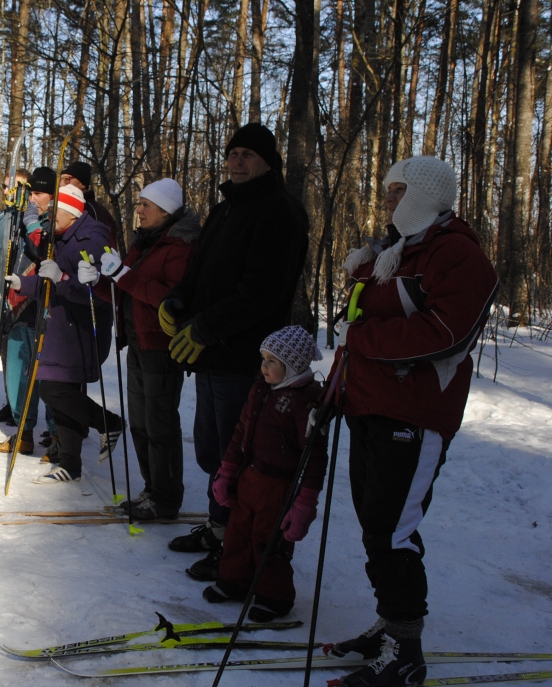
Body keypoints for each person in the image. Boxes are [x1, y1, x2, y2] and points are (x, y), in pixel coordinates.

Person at [325, 156, 497, 687]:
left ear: (426, 194)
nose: (388, 199)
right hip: (368, 405)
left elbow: (445, 333)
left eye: (398, 190)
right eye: (388, 190)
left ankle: (405, 650)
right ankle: (390, 625)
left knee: (392, 530)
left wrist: (360, 339)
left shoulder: (458, 256)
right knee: (375, 523)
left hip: (414, 412)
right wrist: (334, 390)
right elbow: (355, 326)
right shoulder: (394, 251)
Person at [159, 123, 309, 581]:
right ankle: (218, 528)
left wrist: (204, 328)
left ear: (268, 162)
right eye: (233, 153)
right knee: (213, 452)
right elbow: (199, 272)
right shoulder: (226, 209)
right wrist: (177, 300)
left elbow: (261, 293)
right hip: (211, 355)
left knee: (237, 455)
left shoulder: (279, 211)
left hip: (247, 358)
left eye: (248, 154)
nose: (237, 161)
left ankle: (237, 545)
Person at [78, 178, 199, 519]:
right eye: (140, 204)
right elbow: (123, 290)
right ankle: (152, 489)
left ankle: (166, 498)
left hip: (162, 347)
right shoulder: (144, 243)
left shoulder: (180, 247)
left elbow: (169, 299)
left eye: (146, 205)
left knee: (160, 425)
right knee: (141, 424)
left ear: (166, 211)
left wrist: (123, 274)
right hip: (137, 343)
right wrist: (98, 282)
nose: (139, 210)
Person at [201, 325, 326, 622]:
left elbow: (315, 458)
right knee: (238, 532)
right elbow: (240, 433)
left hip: (279, 487)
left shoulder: (306, 403)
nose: (264, 366)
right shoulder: (260, 389)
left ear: (292, 365)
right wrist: (227, 472)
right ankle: (236, 580)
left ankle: (274, 595)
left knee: (269, 541)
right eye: (263, 359)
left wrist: (305, 503)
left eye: (272, 361)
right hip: (249, 478)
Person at [6, 184, 119, 484]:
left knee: (52, 389)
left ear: (71, 213)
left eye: (56, 211)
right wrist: (22, 284)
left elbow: (96, 293)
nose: (49, 215)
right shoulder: (60, 236)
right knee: (58, 393)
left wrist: (63, 277)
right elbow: (49, 282)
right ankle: (70, 464)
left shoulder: (91, 239)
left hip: (78, 330)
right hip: (59, 323)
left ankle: (108, 422)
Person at [0, 167, 41, 454]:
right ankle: (17, 416)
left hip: (28, 300)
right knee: (10, 360)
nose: (7, 192)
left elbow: (39, 250)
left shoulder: (35, 218)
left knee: (32, 366)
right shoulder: (0, 218)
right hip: (4, 299)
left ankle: (53, 431)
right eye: (5, 186)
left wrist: (29, 219)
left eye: (14, 186)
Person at [61, 160, 120, 249]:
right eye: (60, 179)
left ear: (83, 184)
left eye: (67, 179)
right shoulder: (59, 208)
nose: (62, 184)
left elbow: (105, 247)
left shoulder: (95, 211)